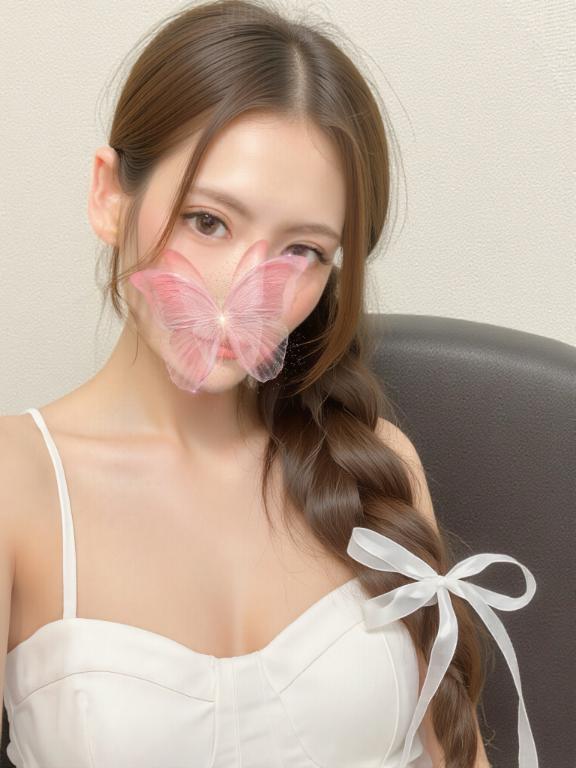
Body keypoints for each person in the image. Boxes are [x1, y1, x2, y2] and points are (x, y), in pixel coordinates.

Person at [0, 2, 538, 767]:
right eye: (207, 221)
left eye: (301, 251)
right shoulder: (15, 486)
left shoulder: (376, 462)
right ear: (110, 196)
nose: (241, 286)